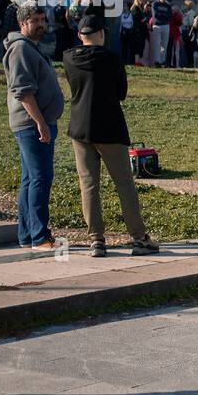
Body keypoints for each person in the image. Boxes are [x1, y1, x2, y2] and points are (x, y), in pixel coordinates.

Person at [63, 13, 157, 257]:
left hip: (80, 128)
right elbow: (121, 92)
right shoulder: (112, 59)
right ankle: (138, 237)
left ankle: (96, 239)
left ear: (79, 35)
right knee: (124, 184)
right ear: (102, 34)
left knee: (88, 185)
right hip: (110, 128)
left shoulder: (68, 58)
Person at [4, 3, 65, 251]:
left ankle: (27, 236)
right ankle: (39, 236)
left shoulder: (32, 48)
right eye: (34, 20)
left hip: (38, 123)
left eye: (42, 19)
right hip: (31, 124)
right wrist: (41, 123)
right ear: (22, 24)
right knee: (40, 178)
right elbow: (23, 92)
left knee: (30, 179)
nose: (40, 24)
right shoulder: (20, 49)